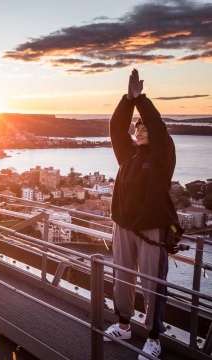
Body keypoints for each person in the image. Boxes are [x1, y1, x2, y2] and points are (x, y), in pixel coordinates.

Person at [104, 69, 180, 360]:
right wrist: (126, 100)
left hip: (151, 230)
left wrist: (141, 99)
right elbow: (115, 127)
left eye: (143, 127)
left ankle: (153, 337)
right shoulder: (128, 154)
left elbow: (158, 128)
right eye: (137, 128)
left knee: (152, 284)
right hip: (123, 226)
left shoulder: (162, 156)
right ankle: (123, 324)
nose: (139, 130)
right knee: (122, 279)